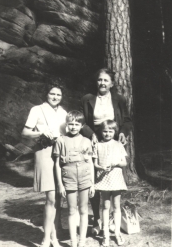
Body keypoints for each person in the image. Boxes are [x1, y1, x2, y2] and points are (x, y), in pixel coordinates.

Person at [80, 68, 132, 234]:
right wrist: (90, 135)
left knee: (114, 178)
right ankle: (97, 219)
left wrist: (123, 132)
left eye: (105, 80)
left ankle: (113, 218)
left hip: (113, 141)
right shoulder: (87, 99)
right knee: (96, 179)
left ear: (112, 83)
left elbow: (127, 120)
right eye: (99, 80)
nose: (102, 83)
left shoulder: (119, 99)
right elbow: (81, 122)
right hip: (95, 142)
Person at [21, 84, 67, 247]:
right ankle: (46, 239)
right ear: (46, 94)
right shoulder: (37, 110)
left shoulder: (63, 113)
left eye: (58, 95)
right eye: (52, 93)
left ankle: (53, 237)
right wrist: (40, 133)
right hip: (44, 151)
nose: (55, 97)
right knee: (51, 197)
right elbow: (25, 133)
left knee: (57, 197)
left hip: (61, 153)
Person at [53, 111, 95, 247]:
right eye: (71, 124)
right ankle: (73, 241)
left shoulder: (86, 141)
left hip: (84, 179)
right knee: (71, 210)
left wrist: (92, 184)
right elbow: (57, 165)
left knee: (83, 210)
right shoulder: (60, 141)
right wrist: (60, 184)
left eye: (77, 124)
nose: (73, 127)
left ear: (82, 125)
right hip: (68, 179)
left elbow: (90, 163)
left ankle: (81, 241)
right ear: (66, 124)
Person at [93, 120, 127, 246]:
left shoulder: (118, 145)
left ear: (115, 132)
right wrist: (101, 168)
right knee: (106, 206)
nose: (107, 134)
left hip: (116, 178)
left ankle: (117, 233)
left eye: (110, 131)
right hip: (103, 178)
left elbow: (124, 163)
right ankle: (105, 235)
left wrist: (116, 163)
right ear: (101, 132)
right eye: (105, 131)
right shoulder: (97, 145)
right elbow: (95, 164)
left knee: (116, 206)